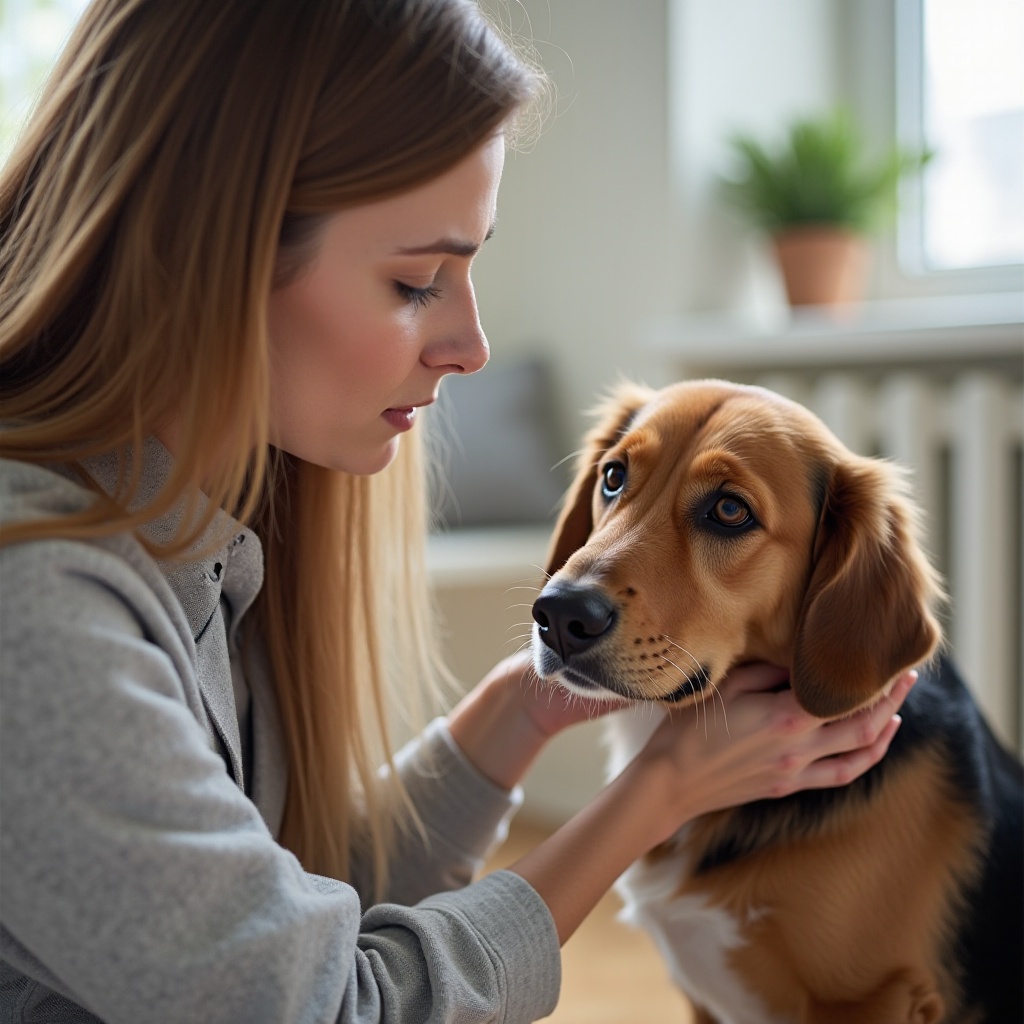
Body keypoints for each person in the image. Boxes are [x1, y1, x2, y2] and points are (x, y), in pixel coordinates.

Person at [0, 1, 916, 1021]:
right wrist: (654, 793)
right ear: (202, 250)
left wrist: (526, 706)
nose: (470, 344)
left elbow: (259, 914)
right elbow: (325, 1003)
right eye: (415, 280)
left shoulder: (199, 540)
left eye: (467, 269)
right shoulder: (32, 602)